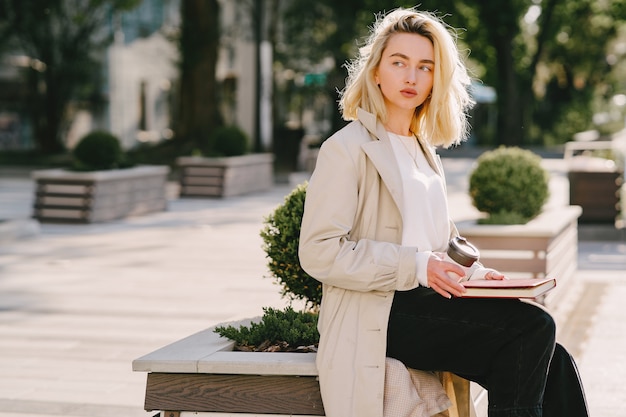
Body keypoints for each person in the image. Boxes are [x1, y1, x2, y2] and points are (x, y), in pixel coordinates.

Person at [298, 7, 589, 417]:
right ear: (376, 71)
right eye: (399, 63)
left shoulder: (422, 150)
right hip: (380, 312)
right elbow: (319, 252)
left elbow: (439, 243)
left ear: (437, 79)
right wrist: (416, 265)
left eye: (425, 67)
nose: (411, 77)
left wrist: (478, 275)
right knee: (530, 331)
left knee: (550, 356)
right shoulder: (345, 149)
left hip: (429, 304)